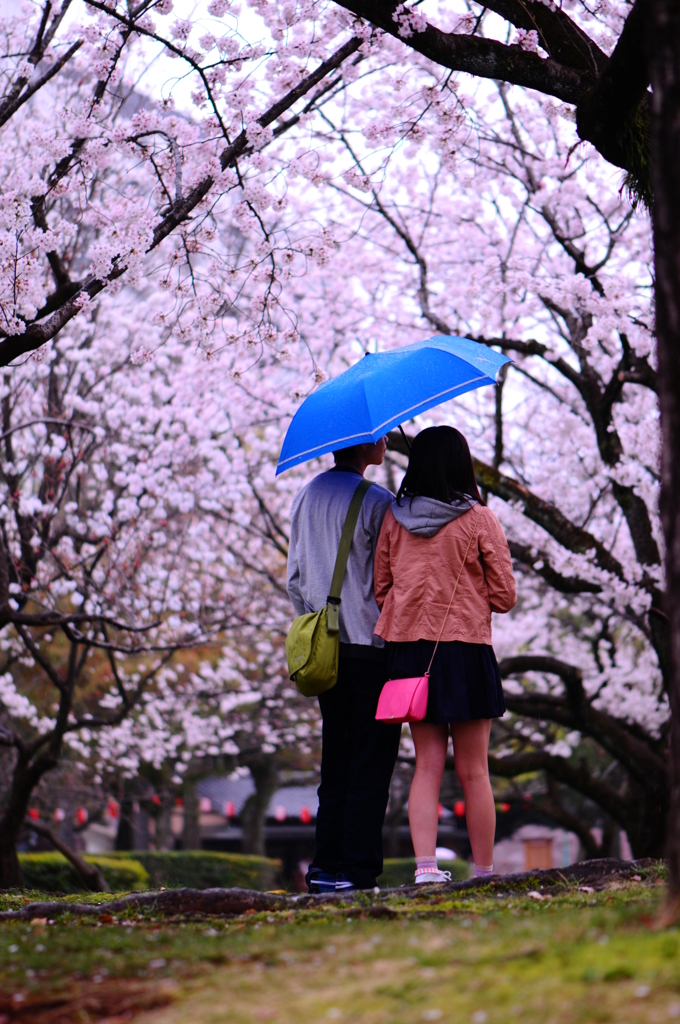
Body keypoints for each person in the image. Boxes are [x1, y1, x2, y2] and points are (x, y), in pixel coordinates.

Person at [373, 425, 516, 883]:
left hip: (411, 655)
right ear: (462, 463)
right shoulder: (479, 519)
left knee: (426, 765)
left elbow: (380, 589)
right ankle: (484, 870)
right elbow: (505, 595)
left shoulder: (393, 520)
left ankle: (426, 869)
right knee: (475, 769)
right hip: (466, 650)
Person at [287, 438, 401, 893]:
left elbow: (295, 577)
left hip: (326, 648)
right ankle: (357, 871)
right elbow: (390, 578)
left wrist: (316, 617)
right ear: (367, 444)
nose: (388, 440)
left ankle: (324, 868)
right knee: (371, 763)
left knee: (335, 762)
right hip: (370, 648)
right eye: (383, 437)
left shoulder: (304, 496)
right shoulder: (379, 502)